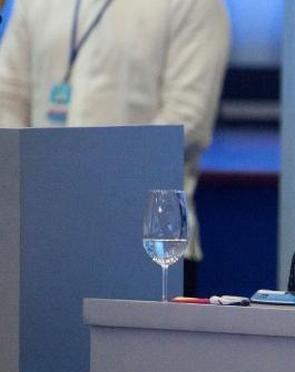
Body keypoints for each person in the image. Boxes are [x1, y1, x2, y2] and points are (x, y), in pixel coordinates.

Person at [0, 0, 231, 261]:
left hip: (147, 241)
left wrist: (81, 182)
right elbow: (7, 97)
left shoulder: (195, 4)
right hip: (42, 232)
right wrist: (36, 176)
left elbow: (188, 122)